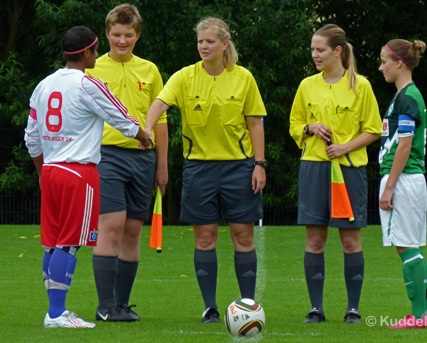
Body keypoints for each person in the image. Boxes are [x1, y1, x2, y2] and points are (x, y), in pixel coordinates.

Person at [24, 26, 151, 328]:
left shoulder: (43, 85)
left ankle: (55, 309)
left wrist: (44, 171)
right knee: (69, 243)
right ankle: (56, 313)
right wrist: (141, 135)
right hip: (78, 171)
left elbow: (31, 137)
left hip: (52, 169)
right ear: (86, 53)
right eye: (95, 49)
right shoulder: (87, 84)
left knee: (53, 243)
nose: (97, 54)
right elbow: (119, 114)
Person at [141, 17, 266, 323]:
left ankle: (247, 305)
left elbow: (254, 123)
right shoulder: (184, 76)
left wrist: (259, 165)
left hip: (240, 168)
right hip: (199, 169)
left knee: (243, 237)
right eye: (200, 41)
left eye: (209, 41)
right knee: (205, 238)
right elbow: (158, 104)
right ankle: (210, 307)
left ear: (225, 44)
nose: (203, 46)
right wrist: (145, 127)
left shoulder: (244, 77)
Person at [289, 24, 382, 324]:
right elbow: (294, 125)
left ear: (337, 51)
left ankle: (352, 309)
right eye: (313, 49)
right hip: (313, 169)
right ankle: (316, 309)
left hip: (349, 171)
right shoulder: (306, 86)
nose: (314, 54)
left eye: (320, 50)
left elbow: (373, 129)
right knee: (315, 241)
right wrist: (308, 127)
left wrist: (345, 148)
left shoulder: (361, 86)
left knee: (350, 242)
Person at [85, 4, 168, 322]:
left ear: (138, 35)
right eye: (116, 35)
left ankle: (121, 305)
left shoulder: (150, 70)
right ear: (106, 34)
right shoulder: (91, 69)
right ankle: (104, 306)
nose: (122, 41)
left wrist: (162, 164)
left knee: (133, 231)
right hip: (105, 156)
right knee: (112, 225)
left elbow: (160, 122)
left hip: (143, 159)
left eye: (129, 35)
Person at [378, 39, 427, 329]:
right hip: (406, 179)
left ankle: (420, 315)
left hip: (403, 179)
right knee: (408, 245)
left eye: (384, 61)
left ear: (399, 62)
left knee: (407, 246)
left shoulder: (407, 97)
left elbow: (404, 145)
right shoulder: (403, 95)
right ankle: (424, 312)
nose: (380, 67)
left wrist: (389, 188)